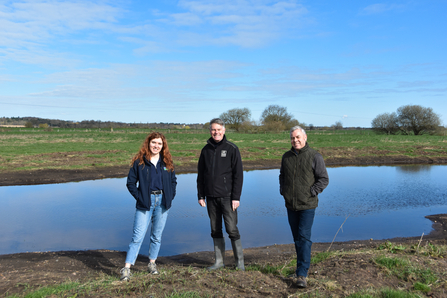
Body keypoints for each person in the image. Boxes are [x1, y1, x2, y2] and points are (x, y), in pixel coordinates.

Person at [120, 132, 177, 281]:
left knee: (156, 236)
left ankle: (152, 263)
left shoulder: (167, 162)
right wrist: (141, 198)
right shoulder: (139, 162)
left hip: (163, 203)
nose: (156, 146)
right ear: (148, 143)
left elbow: (173, 181)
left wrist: (170, 196)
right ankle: (126, 268)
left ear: (163, 146)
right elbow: (130, 183)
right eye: (154, 143)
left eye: (159, 143)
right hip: (145, 203)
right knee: (137, 237)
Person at [279, 126, 329, 288]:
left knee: (304, 237)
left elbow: (323, 179)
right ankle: (300, 268)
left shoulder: (315, 156)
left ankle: (302, 274)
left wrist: (311, 192)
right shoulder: (286, 157)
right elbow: (282, 176)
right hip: (291, 205)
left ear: (305, 137)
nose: (295, 140)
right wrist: (284, 191)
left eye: (298, 137)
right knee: (297, 238)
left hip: (307, 205)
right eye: (293, 138)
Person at [197, 118, 245, 271]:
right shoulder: (205, 150)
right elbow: (201, 175)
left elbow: (238, 175)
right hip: (210, 197)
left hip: (228, 197)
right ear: (210, 131)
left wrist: (236, 197)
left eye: (218, 129)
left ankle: (240, 264)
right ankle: (219, 262)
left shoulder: (232, 148)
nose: (216, 132)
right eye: (213, 129)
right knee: (215, 229)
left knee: (231, 229)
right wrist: (201, 195)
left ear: (224, 130)